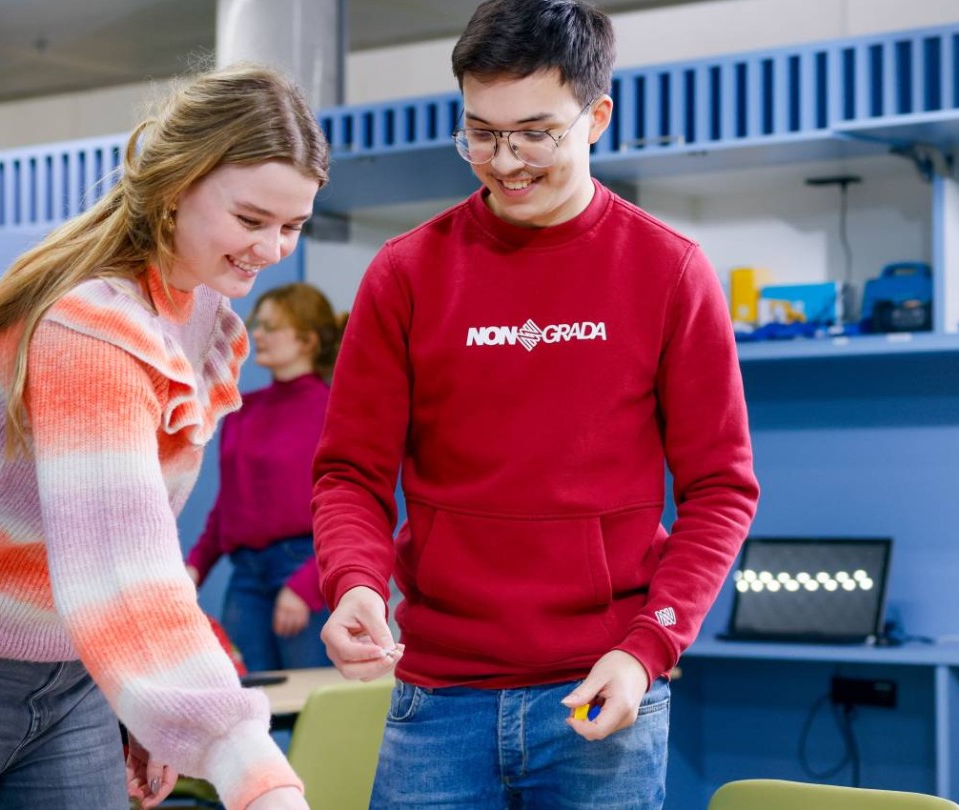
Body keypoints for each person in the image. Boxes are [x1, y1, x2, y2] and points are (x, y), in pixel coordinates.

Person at [0, 64, 326, 810]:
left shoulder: (193, 307)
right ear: (177, 188)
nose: (272, 248)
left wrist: (152, 703)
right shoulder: (94, 325)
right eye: (251, 219)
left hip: (62, 666)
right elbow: (117, 563)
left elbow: (135, 530)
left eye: (293, 225)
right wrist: (252, 773)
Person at [310, 1, 761, 807]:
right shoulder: (405, 275)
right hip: (435, 700)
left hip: (601, 691)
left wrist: (650, 645)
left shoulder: (669, 272)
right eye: (480, 133)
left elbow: (721, 490)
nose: (504, 160)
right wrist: (356, 585)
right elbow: (350, 473)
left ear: (597, 118)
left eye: (534, 134)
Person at [186, 282, 341, 671]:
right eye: (258, 325)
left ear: (306, 340)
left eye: (271, 327)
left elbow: (352, 508)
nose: (257, 335)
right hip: (246, 578)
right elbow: (229, 505)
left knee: (313, 704)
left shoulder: (335, 410)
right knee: (251, 704)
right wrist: (194, 568)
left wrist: (308, 587)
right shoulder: (242, 411)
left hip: (306, 568)